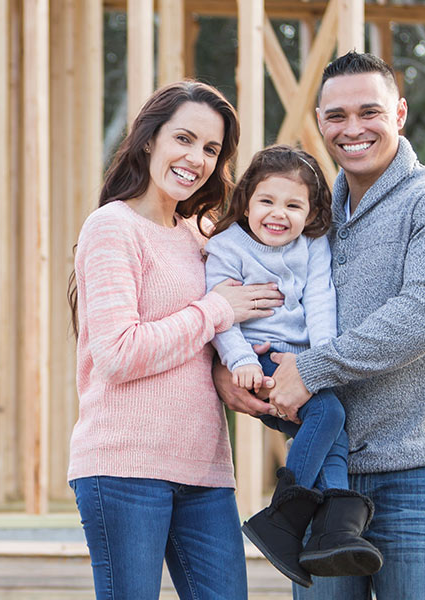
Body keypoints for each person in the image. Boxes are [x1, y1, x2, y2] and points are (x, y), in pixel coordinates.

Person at [214, 52, 425, 599]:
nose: (353, 128)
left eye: (370, 111)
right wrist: (230, 371)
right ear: (319, 121)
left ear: (401, 113)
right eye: (336, 116)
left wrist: (313, 369)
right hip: (323, 478)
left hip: (415, 476)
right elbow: (276, 325)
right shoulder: (307, 222)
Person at [68, 80, 283, 600]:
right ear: (149, 140)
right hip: (124, 467)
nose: (197, 158)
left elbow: (210, 341)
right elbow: (118, 354)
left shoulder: (201, 237)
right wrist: (214, 310)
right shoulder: (112, 228)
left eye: (211, 149)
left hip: (205, 467)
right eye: (184, 139)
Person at [203, 145, 382, 589]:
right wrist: (241, 360)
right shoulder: (227, 247)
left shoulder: (312, 246)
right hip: (257, 356)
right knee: (330, 415)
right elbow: (219, 313)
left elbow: (321, 301)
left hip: (301, 362)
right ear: (246, 201)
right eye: (267, 201)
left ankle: (335, 523)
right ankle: (287, 511)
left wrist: (317, 363)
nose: (277, 213)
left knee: (329, 423)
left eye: (293, 205)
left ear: (311, 211)